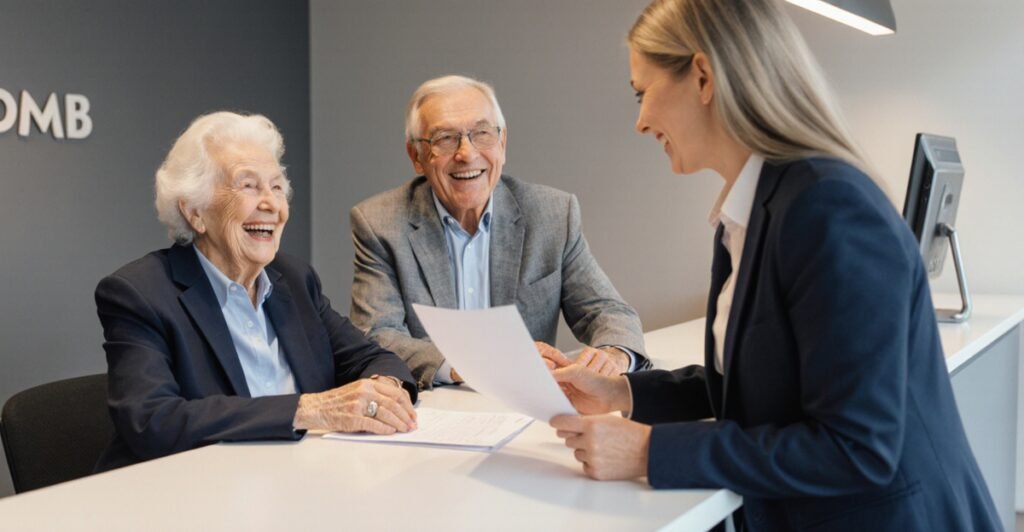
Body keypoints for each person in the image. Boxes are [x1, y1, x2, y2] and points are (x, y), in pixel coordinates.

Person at [549, 1, 1000, 530]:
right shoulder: (749, 213)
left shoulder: (829, 208)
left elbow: (856, 446)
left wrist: (652, 452)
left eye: (641, 92)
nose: (641, 121)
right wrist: (624, 393)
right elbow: (763, 387)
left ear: (702, 77)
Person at [94, 112, 417, 471]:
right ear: (195, 211)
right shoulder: (140, 293)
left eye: (277, 187)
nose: (271, 205)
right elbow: (153, 420)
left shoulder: (294, 280)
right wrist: (307, 410)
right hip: (189, 493)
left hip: (297, 480)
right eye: (248, 186)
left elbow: (373, 358)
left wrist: (381, 392)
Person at [350, 75, 650, 390]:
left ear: (502, 144)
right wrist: (473, 365)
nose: (466, 153)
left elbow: (607, 311)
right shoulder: (380, 223)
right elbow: (377, 336)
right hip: (437, 412)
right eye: (445, 138)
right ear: (416, 157)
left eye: (481, 133)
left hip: (529, 406)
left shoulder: (552, 214)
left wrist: (614, 354)